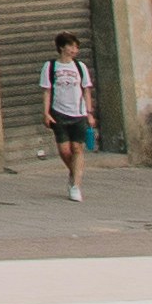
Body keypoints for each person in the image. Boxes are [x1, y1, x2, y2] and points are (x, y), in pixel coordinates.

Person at [43, 28, 98, 198]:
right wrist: (46, 113)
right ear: (61, 47)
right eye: (71, 46)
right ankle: (75, 173)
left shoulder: (80, 67)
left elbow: (86, 90)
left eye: (76, 47)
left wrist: (89, 113)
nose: (75, 50)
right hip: (59, 113)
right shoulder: (51, 66)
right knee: (65, 151)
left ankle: (75, 185)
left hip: (78, 113)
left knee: (77, 148)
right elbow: (46, 91)